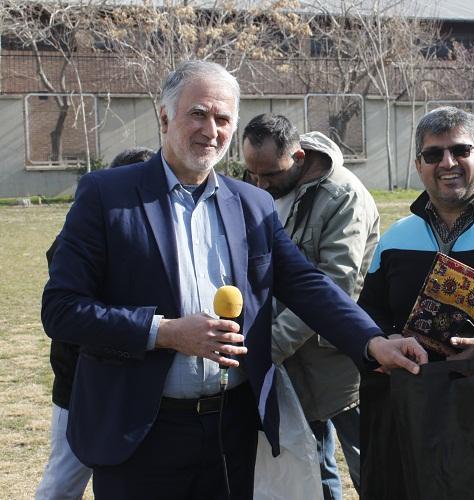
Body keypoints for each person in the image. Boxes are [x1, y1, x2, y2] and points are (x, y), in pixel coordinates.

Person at [41, 60, 426, 500]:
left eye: (223, 119)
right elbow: (62, 309)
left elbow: (306, 283)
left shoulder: (251, 203)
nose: (211, 130)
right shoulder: (105, 195)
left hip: (232, 429)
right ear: (164, 117)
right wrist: (164, 332)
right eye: (198, 114)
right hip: (139, 431)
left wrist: (372, 341)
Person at [357, 106, 474, 499]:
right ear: (419, 165)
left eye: (460, 150)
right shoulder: (395, 238)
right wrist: (385, 342)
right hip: (409, 414)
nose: (447, 163)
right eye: (433, 154)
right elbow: (369, 315)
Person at [242, 113, 378, 499]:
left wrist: (270, 345)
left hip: (337, 361)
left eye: (269, 174)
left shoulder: (343, 196)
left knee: (368, 464)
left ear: (299, 157)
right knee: (313, 463)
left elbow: (334, 286)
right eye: (252, 174)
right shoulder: (271, 189)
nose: (260, 184)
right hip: (291, 362)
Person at [36, 146, 155, 500]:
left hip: (137, 386)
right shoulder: (80, 238)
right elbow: (69, 314)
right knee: (63, 482)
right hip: (80, 387)